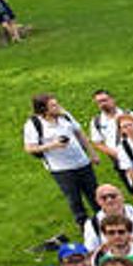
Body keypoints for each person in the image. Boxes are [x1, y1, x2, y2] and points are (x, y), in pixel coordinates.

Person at [24, 93, 101, 229]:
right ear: (43, 110)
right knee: (75, 201)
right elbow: (30, 148)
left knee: (95, 196)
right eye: (53, 106)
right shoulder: (33, 124)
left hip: (82, 163)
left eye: (57, 103)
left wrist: (92, 154)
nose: (58, 107)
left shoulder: (64, 115)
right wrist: (53, 145)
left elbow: (79, 133)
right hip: (62, 170)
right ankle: (86, 230)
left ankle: (106, 225)